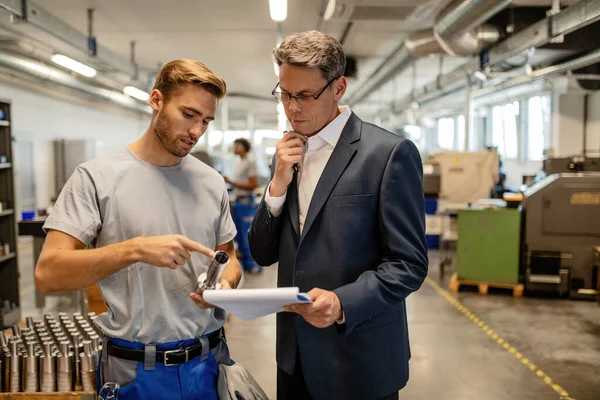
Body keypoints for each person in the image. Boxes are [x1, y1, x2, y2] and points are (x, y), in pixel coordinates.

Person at [35, 59, 242, 400]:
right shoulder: (96, 178)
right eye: (188, 115)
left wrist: (225, 284)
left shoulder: (212, 182)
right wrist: (134, 250)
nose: (196, 131)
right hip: (135, 373)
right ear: (156, 100)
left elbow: (228, 256)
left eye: (205, 121)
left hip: (209, 365)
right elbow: (48, 274)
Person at [248, 31, 428, 400]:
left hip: (359, 358)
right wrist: (278, 186)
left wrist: (344, 302)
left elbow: (409, 263)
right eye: (284, 94)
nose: (292, 108)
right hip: (294, 357)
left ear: (338, 87)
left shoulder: (388, 154)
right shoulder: (286, 154)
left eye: (305, 96)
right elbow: (263, 254)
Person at [224, 138, 261, 273]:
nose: (234, 148)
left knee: (246, 236)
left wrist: (231, 183)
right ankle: (246, 264)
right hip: (239, 201)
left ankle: (254, 265)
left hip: (247, 202)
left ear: (243, 147)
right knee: (238, 235)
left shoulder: (249, 162)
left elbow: (253, 184)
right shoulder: (239, 162)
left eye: (237, 146)